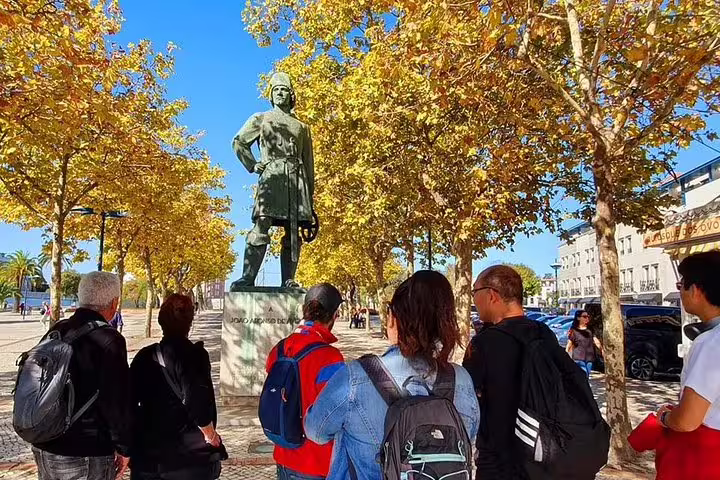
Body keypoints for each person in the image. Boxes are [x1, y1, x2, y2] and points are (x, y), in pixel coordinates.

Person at [304, 270, 479, 480]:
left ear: (393, 319)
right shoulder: (462, 380)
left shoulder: (354, 378)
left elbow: (316, 432)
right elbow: (469, 436)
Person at [463, 265, 609, 480]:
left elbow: (469, 405)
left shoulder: (483, 344)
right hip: (544, 456)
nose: (473, 299)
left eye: (474, 292)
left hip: (501, 462)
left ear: (492, 295)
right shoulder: (544, 333)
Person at [31, 271, 132, 480]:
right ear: (114, 303)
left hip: (45, 443)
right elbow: (116, 401)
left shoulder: (57, 329)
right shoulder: (110, 339)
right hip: (84, 451)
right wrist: (124, 447)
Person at [130, 294, 225, 480]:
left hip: (150, 457)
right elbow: (197, 401)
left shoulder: (144, 357)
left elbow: (128, 403)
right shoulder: (196, 356)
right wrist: (211, 436)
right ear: (190, 321)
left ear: (161, 321)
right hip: (189, 458)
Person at [263, 283, 345, 480]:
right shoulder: (330, 357)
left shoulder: (280, 348)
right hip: (316, 463)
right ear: (334, 315)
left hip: (283, 455)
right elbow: (338, 411)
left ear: (305, 310)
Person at [652, 251, 720, 479]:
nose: (679, 292)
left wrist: (665, 417)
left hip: (706, 457)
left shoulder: (711, 342)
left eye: (681, 285)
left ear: (697, 290)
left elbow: (688, 420)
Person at [566, 309, 602, 378]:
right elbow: (569, 344)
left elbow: (595, 340)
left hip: (589, 358)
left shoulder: (590, 329)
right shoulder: (573, 330)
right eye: (584, 316)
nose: (587, 318)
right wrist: (566, 355)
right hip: (578, 358)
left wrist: (602, 350)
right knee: (584, 375)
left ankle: (582, 388)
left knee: (586, 376)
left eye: (588, 316)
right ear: (578, 318)